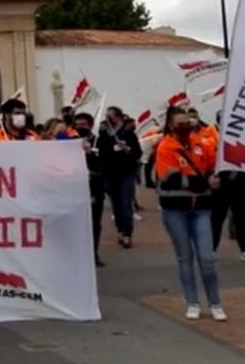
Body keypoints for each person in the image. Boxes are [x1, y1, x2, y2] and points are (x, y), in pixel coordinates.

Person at [154, 106, 226, 321]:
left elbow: (212, 166)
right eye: (180, 124)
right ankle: (192, 302)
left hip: (201, 209)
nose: (185, 127)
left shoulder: (201, 143)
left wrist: (214, 177)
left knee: (207, 259)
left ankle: (215, 302)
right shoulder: (165, 147)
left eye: (188, 123)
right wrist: (204, 182)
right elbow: (172, 179)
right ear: (170, 125)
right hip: (176, 210)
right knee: (185, 258)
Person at [97, 107, 143, 249]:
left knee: (125, 203)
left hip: (127, 172)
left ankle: (127, 234)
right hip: (111, 172)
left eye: (110, 116)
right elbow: (100, 152)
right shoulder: (104, 134)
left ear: (118, 117)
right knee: (116, 204)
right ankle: (120, 229)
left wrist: (127, 149)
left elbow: (138, 153)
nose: (108, 119)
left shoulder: (129, 134)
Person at [74, 113, 106, 267]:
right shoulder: (71, 141)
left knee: (94, 220)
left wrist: (90, 153)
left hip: (94, 183)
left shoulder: (99, 140)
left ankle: (93, 252)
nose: (80, 127)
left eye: (83, 124)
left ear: (90, 125)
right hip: (75, 184)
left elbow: (105, 161)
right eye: (77, 124)